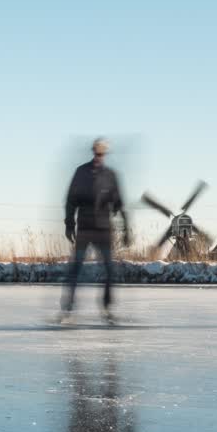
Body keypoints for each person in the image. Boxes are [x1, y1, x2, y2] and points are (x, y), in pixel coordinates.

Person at [61, 138, 130, 323]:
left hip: (103, 229)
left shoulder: (110, 175)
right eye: (96, 153)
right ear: (93, 152)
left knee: (109, 269)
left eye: (102, 153)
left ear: (105, 154)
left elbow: (119, 202)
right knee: (75, 268)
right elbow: (70, 200)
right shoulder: (81, 172)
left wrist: (126, 228)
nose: (98, 156)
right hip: (84, 227)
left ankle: (107, 308)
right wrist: (69, 224)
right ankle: (67, 310)